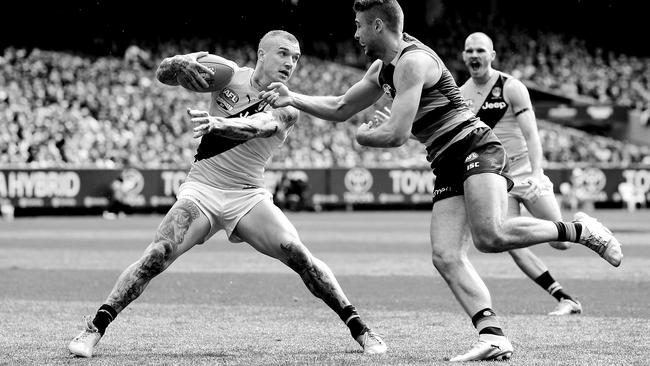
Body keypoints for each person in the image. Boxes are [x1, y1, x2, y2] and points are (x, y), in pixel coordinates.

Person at [260, 1, 622, 361]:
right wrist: (294, 98)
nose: (354, 34)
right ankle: (493, 337)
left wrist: (366, 136)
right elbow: (341, 106)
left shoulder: (412, 62)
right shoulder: (382, 68)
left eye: (358, 25)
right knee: (446, 255)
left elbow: (397, 133)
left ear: (377, 27)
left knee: (491, 235)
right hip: (447, 161)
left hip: (475, 146)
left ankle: (579, 230)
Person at [68, 30, 386, 358]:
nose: (290, 62)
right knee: (157, 254)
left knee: (298, 253)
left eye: (296, 57)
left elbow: (261, 125)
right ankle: (93, 330)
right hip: (202, 189)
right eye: (283, 53)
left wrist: (218, 126)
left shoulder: (288, 105)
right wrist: (177, 62)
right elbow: (164, 75)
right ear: (261, 54)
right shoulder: (229, 75)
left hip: (248, 196)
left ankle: (361, 329)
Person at [459, 32, 582, 316]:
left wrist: (538, 173)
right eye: (469, 51)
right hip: (498, 180)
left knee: (560, 242)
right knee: (507, 238)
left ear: (492, 55)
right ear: (464, 56)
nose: (474, 55)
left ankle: (580, 224)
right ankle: (565, 298)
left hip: (526, 173)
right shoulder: (462, 94)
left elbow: (532, 135)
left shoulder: (511, 87)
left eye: (480, 50)